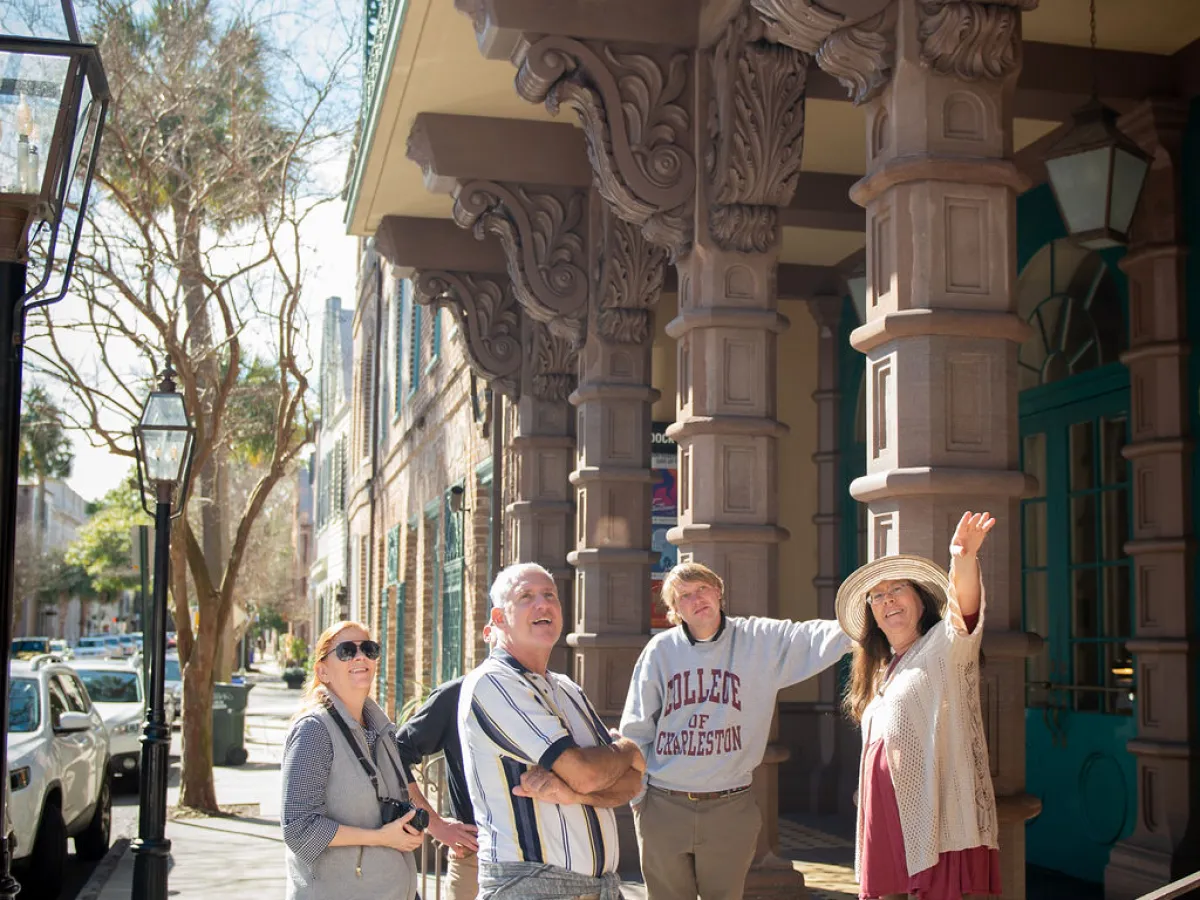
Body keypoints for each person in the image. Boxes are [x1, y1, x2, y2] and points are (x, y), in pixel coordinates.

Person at [619, 561, 853, 900]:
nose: (697, 599)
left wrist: (868, 620)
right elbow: (636, 727)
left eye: (702, 589)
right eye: (684, 596)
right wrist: (640, 798)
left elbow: (812, 636)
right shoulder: (661, 651)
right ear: (675, 610)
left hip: (730, 805)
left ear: (718, 592)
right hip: (664, 804)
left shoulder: (758, 639)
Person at [837, 511, 999, 900]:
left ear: (921, 602)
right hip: (887, 813)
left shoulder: (944, 647)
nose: (887, 600)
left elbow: (964, 611)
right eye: (877, 595)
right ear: (873, 615)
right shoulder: (880, 670)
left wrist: (962, 557)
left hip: (934, 812)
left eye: (897, 589)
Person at [459, 562, 644, 900]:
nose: (542, 604)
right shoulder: (493, 683)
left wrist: (575, 795)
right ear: (498, 619)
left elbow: (633, 781)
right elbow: (589, 772)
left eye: (550, 596)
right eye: (526, 596)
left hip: (599, 889)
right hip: (531, 887)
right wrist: (627, 751)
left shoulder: (568, 689)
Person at [281, 621, 422, 900]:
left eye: (369, 649)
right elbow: (299, 828)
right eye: (346, 651)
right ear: (322, 671)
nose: (360, 657)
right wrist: (381, 838)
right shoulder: (313, 730)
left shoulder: (381, 730)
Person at [392, 628, 492, 900]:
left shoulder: (552, 694)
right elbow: (396, 752)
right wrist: (433, 823)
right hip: (476, 857)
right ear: (489, 632)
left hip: (543, 862)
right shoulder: (457, 695)